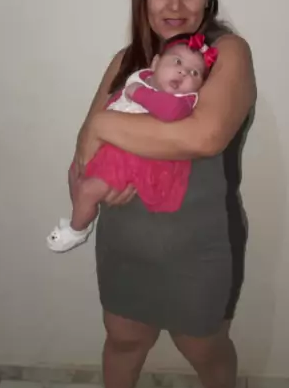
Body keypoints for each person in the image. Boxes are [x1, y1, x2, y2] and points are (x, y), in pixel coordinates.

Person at [72, 0, 256, 388]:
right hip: (125, 243)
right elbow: (81, 155)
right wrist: (84, 185)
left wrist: (103, 125)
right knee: (123, 341)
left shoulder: (227, 54)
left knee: (206, 349)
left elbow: (204, 136)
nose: (175, 5)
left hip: (200, 247)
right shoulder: (125, 62)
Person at [46, 32, 219, 252]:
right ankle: (79, 214)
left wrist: (139, 94)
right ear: (155, 63)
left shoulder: (182, 101)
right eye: (177, 62)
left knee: (89, 190)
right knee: (77, 177)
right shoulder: (140, 77)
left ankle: (77, 230)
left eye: (194, 73)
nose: (183, 72)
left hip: (142, 160)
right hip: (113, 150)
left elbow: (171, 112)